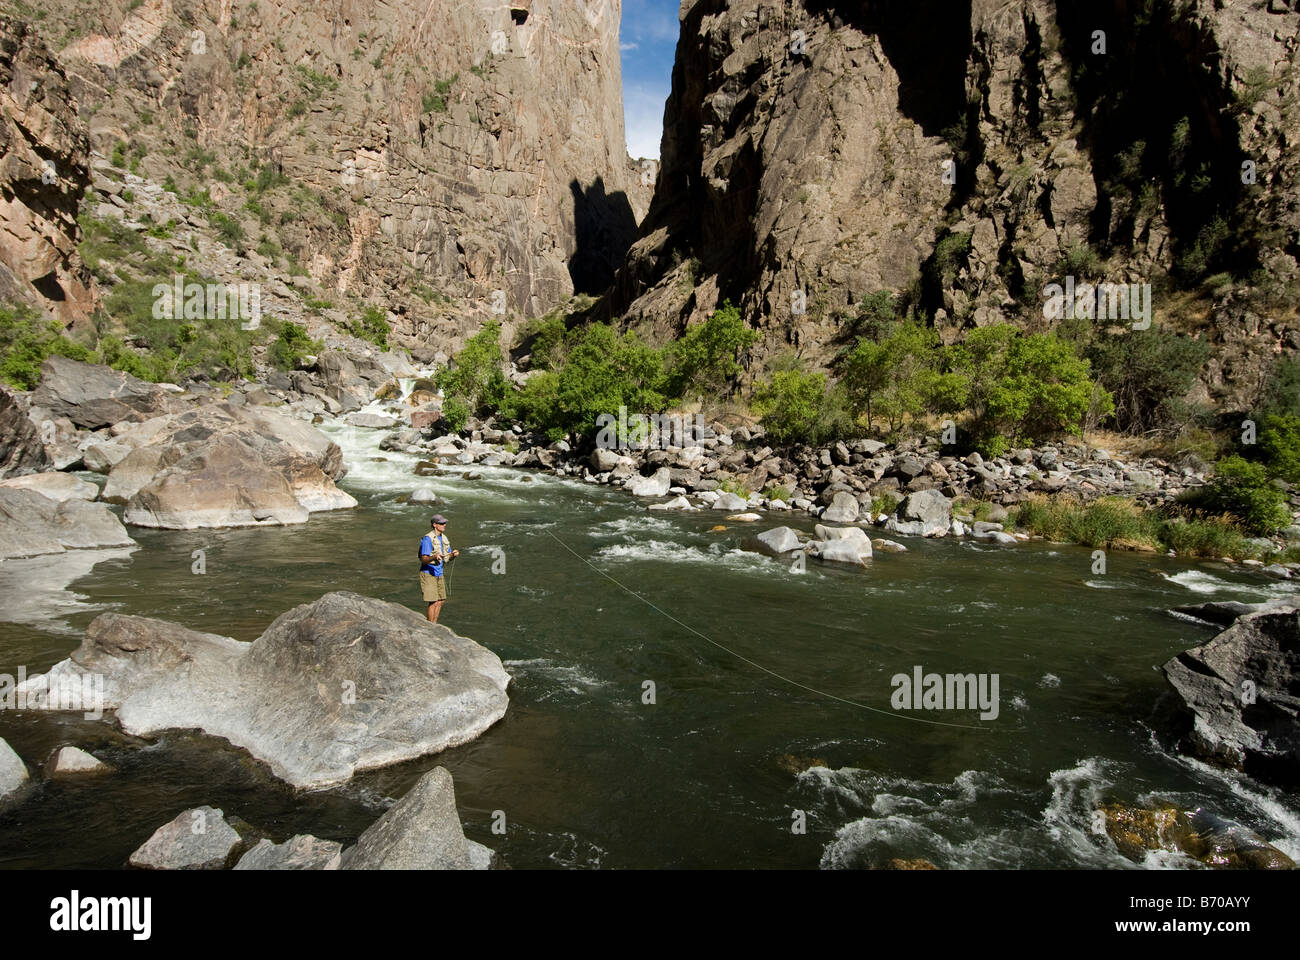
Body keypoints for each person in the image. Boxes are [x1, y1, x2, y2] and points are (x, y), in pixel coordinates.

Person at [419, 514, 459, 623]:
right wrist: (434, 556)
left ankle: (434, 624)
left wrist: (453, 555)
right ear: (434, 525)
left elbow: (448, 557)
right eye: (441, 523)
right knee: (433, 601)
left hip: (439, 572)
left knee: (441, 600)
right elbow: (423, 559)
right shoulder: (428, 539)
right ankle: (430, 626)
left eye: (444, 523)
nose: (444, 525)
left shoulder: (444, 538)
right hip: (428, 573)